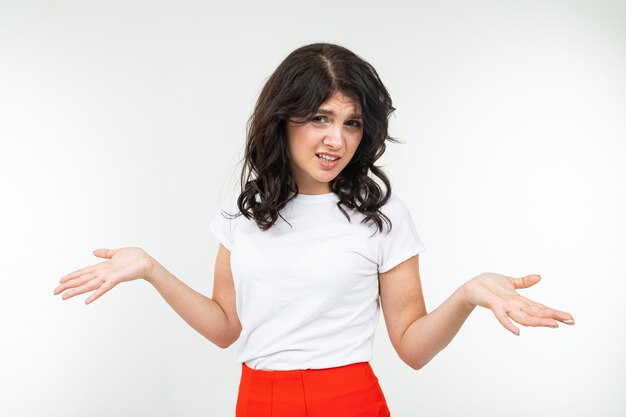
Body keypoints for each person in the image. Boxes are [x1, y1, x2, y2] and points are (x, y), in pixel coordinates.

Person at [53, 43, 575, 417]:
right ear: (282, 119)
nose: (336, 139)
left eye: (351, 122)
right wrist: (150, 269)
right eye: (320, 118)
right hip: (256, 399)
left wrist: (467, 295)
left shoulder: (382, 220)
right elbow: (224, 327)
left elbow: (412, 349)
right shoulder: (243, 214)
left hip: (348, 399)